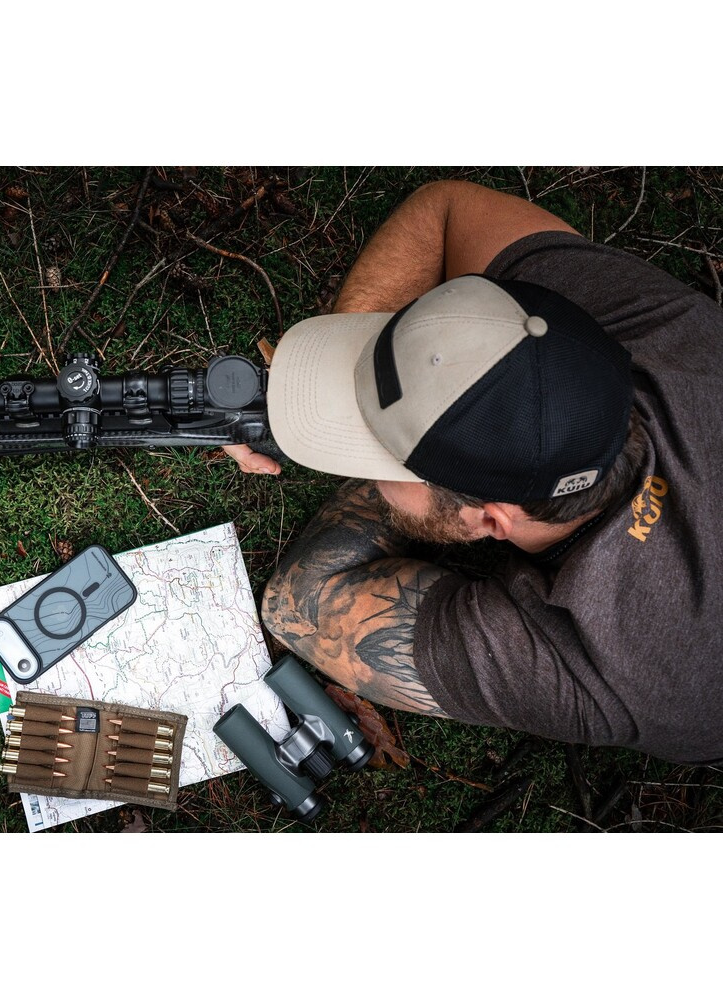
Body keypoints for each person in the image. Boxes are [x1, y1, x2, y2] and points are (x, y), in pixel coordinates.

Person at [225, 179, 723, 764]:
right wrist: (354, 388)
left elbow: (301, 603)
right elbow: (446, 210)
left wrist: (347, 421)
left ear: (489, 521)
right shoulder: (678, 342)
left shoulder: (608, 668)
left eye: (377, 456)